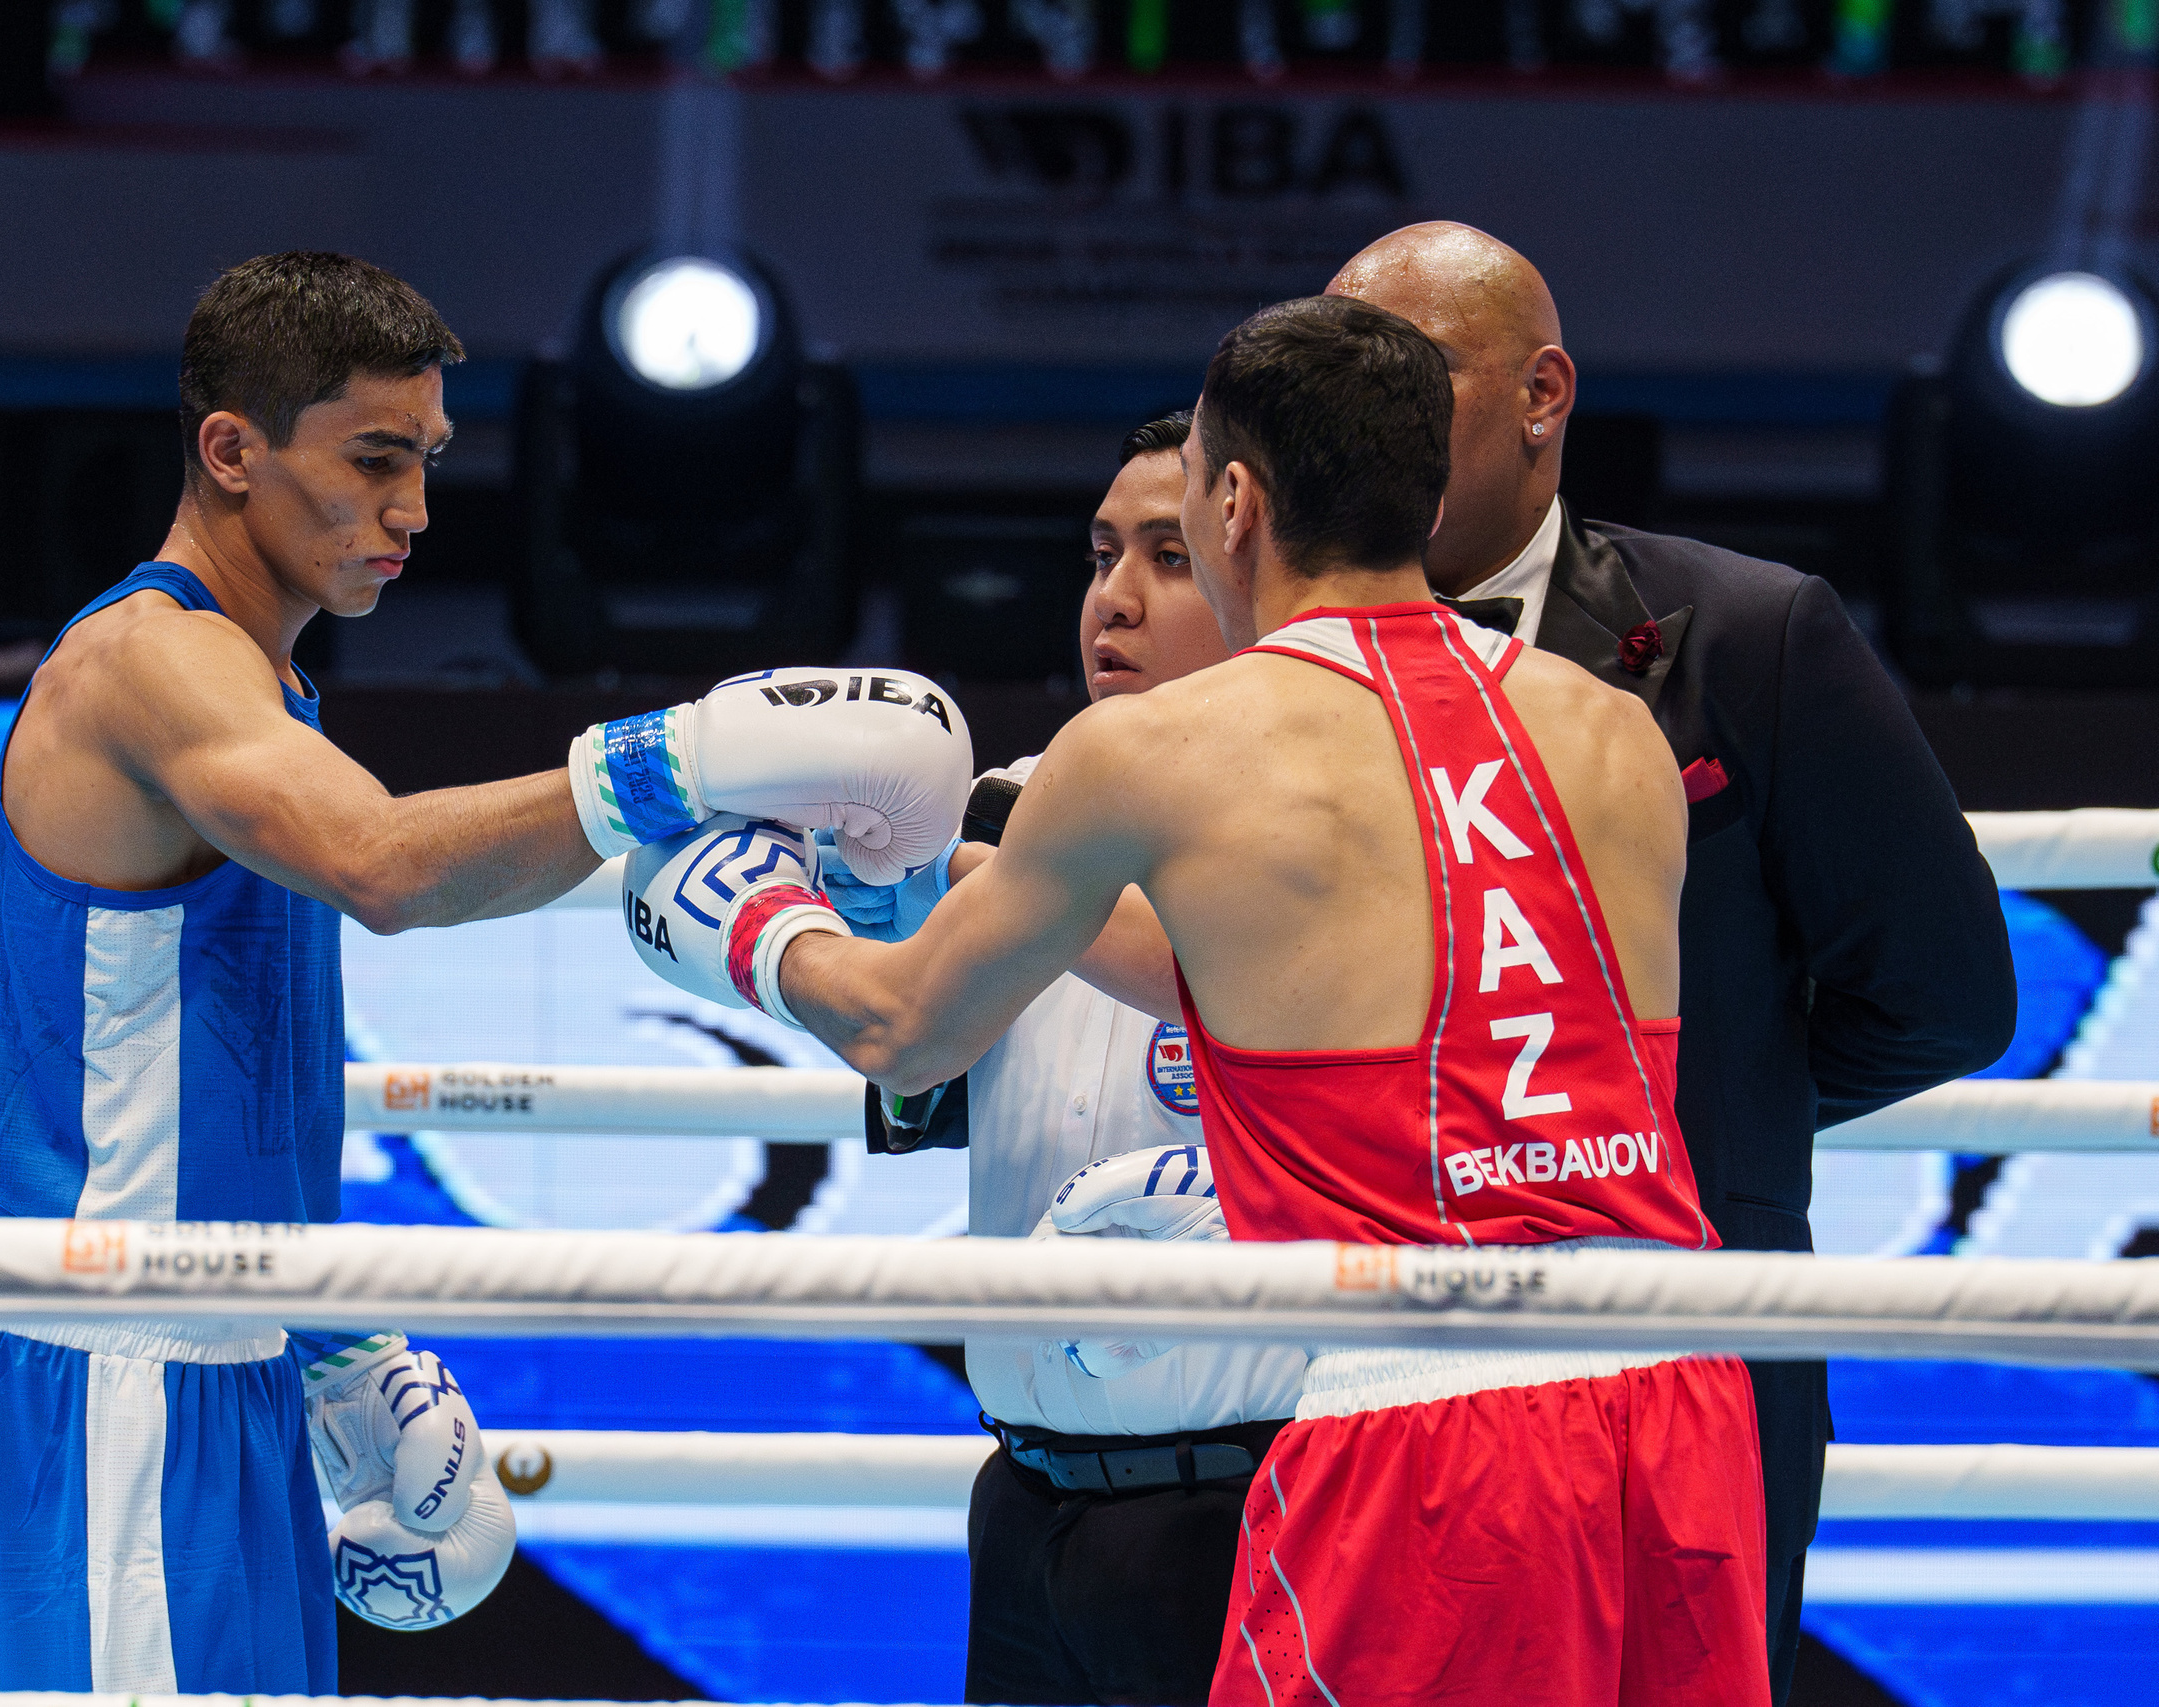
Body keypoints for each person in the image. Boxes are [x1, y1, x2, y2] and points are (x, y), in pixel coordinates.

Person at [625, 295, 1772, 1703]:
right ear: (1427, 497)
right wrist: (969, 866)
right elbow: (1353, 984)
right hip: (1675, 1398)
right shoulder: (1610, 730)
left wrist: (751, 924)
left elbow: (902, 1028)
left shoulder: (1159, 751)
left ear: (1236, 504)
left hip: (1422, 1411)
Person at [0, 251, 973, 1692]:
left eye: (426, 460)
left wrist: (323, 1326)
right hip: (123, 1351)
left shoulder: (257, 687)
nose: (415, 509)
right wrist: (676, 757)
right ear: (231, 450)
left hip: (224, 1335)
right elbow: (384, 867)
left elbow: (229, 1049)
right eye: (374, 459)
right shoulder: (151, 665)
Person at [1327, 221, 2017, 1701]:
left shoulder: (1752, 638)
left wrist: (1644, 1128)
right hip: (1343, 1353)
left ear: (1543, 394)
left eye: (1413, 375)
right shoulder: (1260, 666)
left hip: (1682, 1324)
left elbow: (1945, 995)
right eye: (1338, 382)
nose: (1364, 422)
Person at [825, 413, 1305, 1707]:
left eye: (1167, 555)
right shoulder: (991, 804)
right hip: (1025, 1502)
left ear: (1256, 567)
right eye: (1101, 556)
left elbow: (1216, 973)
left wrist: (993, 874)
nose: (1115, 599)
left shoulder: (1326, 821)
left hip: (1252, 1504)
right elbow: (912, 1073)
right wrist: (809, 922)